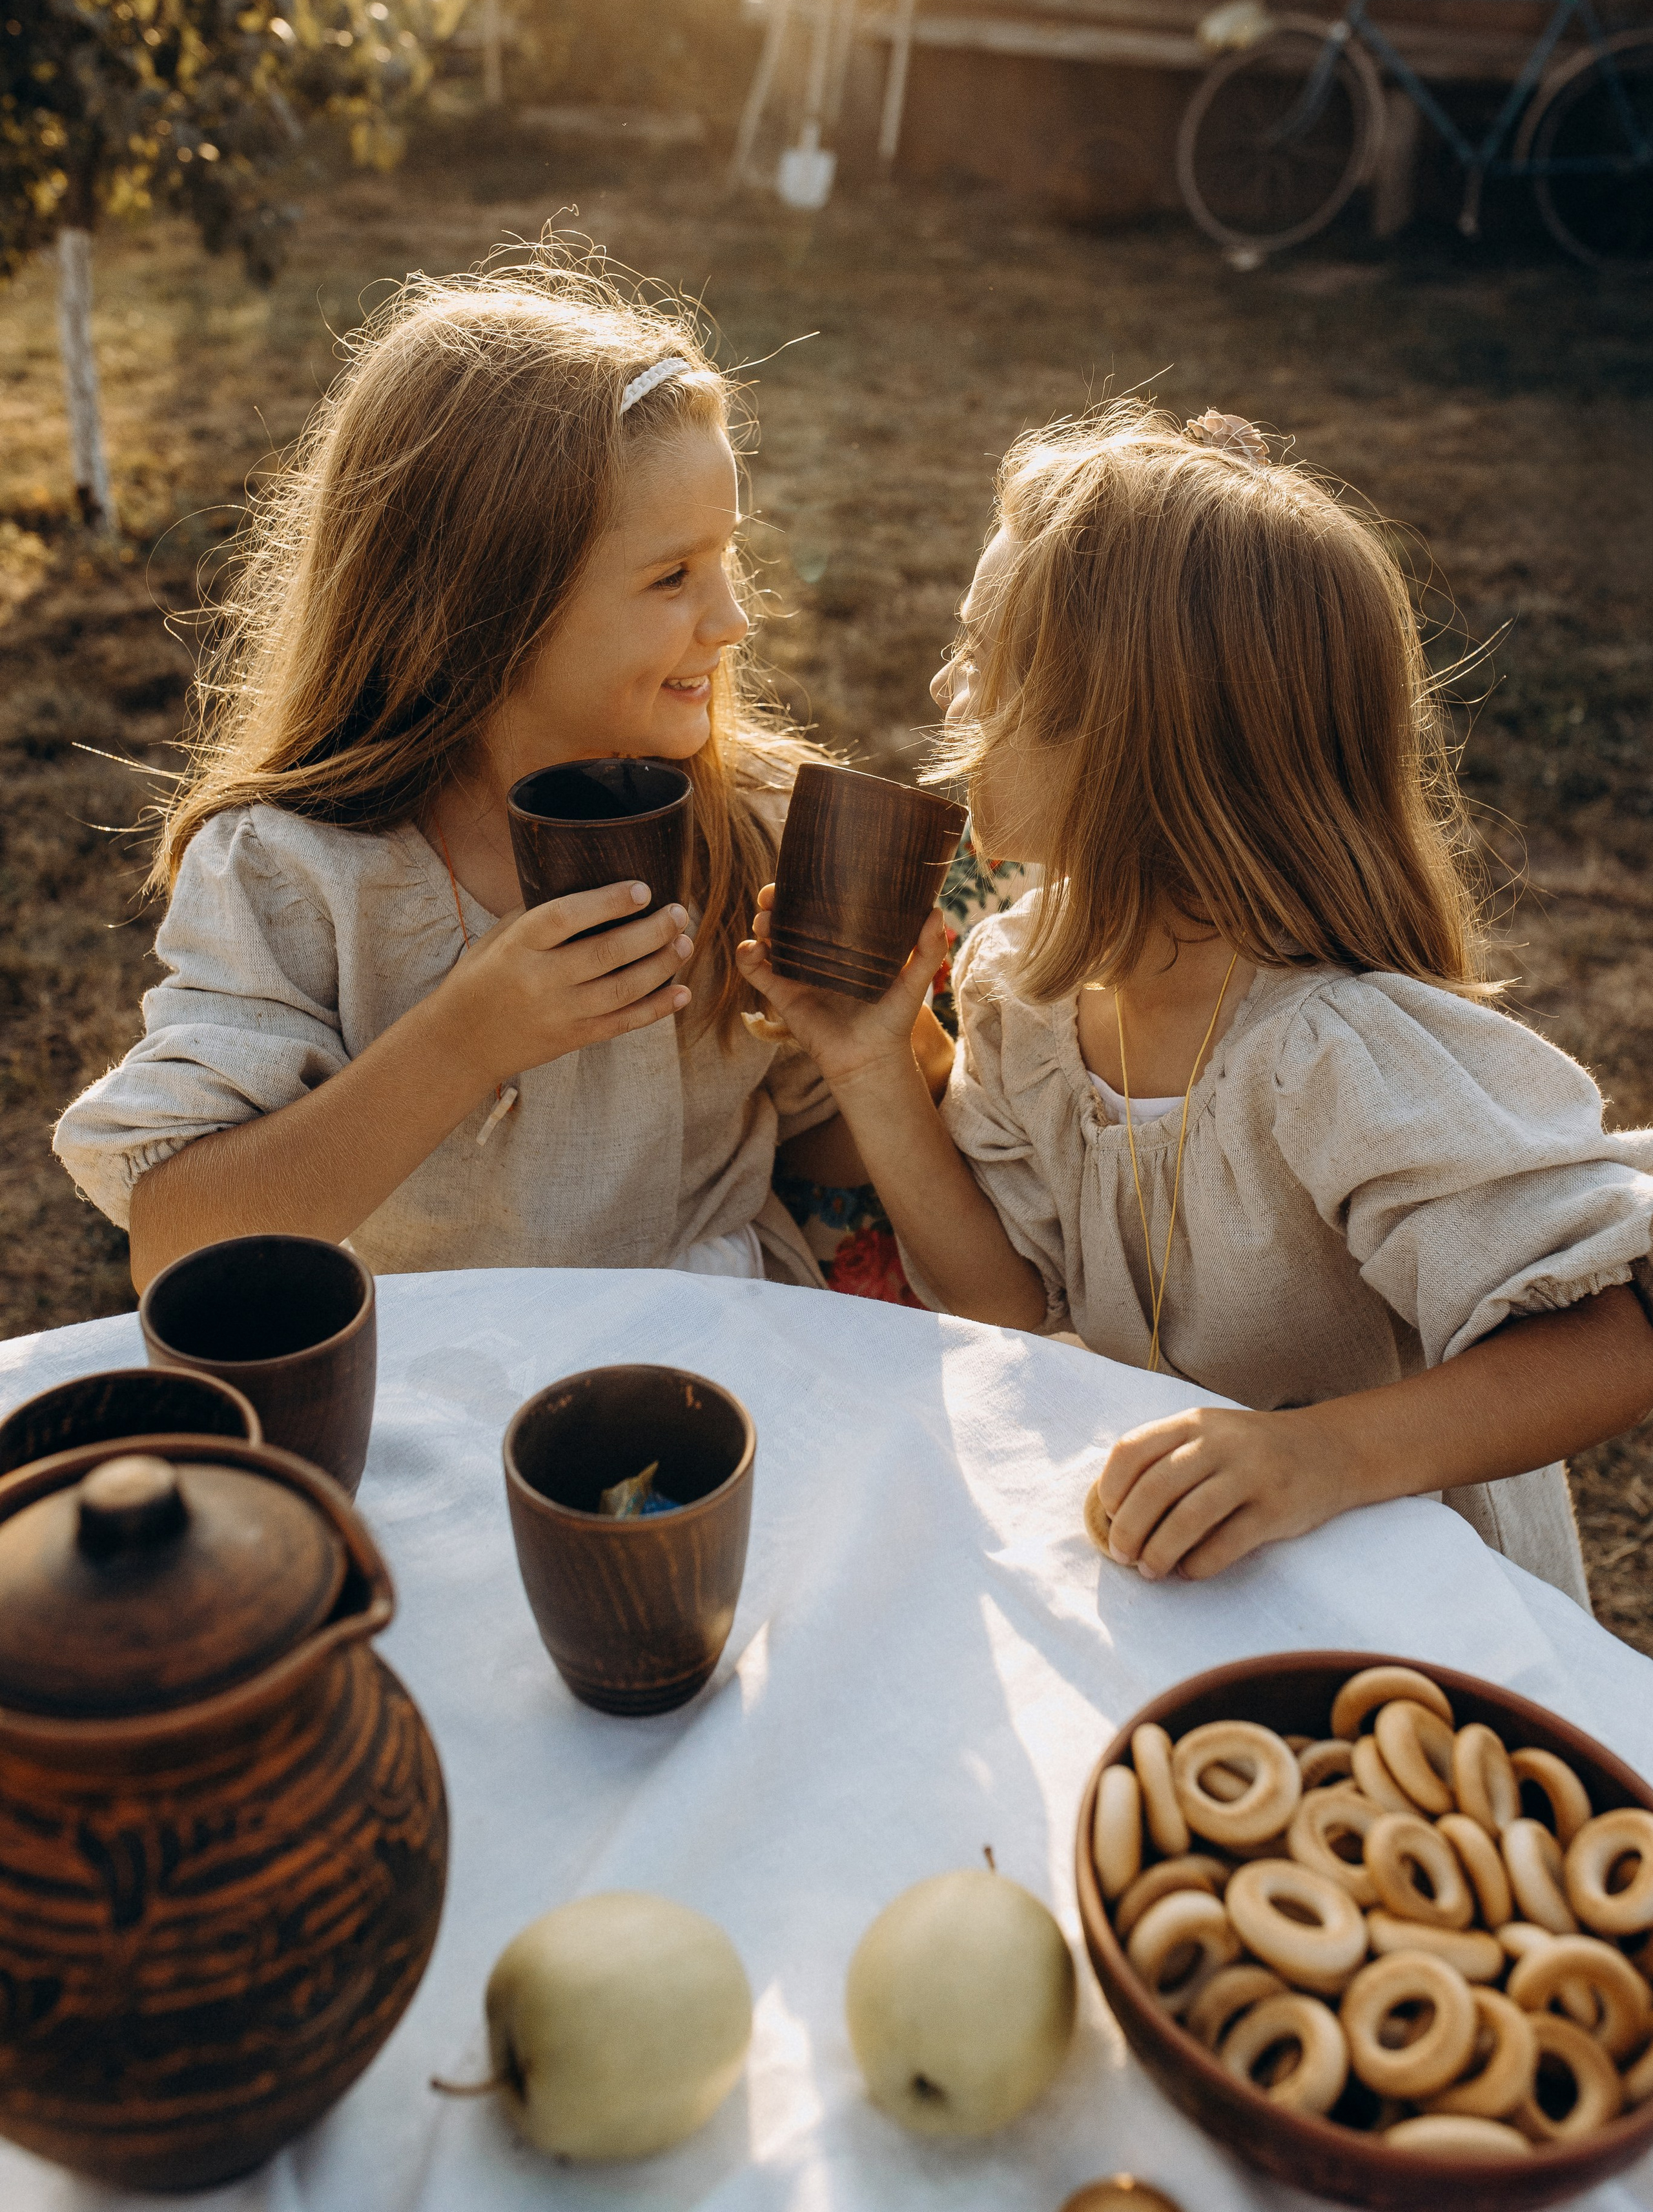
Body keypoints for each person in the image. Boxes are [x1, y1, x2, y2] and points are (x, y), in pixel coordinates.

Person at [739, 402, 1653, 1601]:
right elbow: (1005, 1299)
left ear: (1126, 732)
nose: (939, 681)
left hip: (1413, 1608)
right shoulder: (1019, 991)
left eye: (980, 652)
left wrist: (1317, 1454)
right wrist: (870, 1061)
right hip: (1199, 1577)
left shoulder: (1334, 1055)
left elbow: (1613, 1338)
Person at [56, 256, 946, 1288]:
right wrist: (459, 1046)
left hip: (717, 1362)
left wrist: (889, 1051)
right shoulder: (303, 872)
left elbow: (820, 1147)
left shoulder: (747, 826)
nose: (734, 619)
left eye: (726, 560)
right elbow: (181, 1239)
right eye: (672, 577)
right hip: (436, 1378)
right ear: (488, 604)